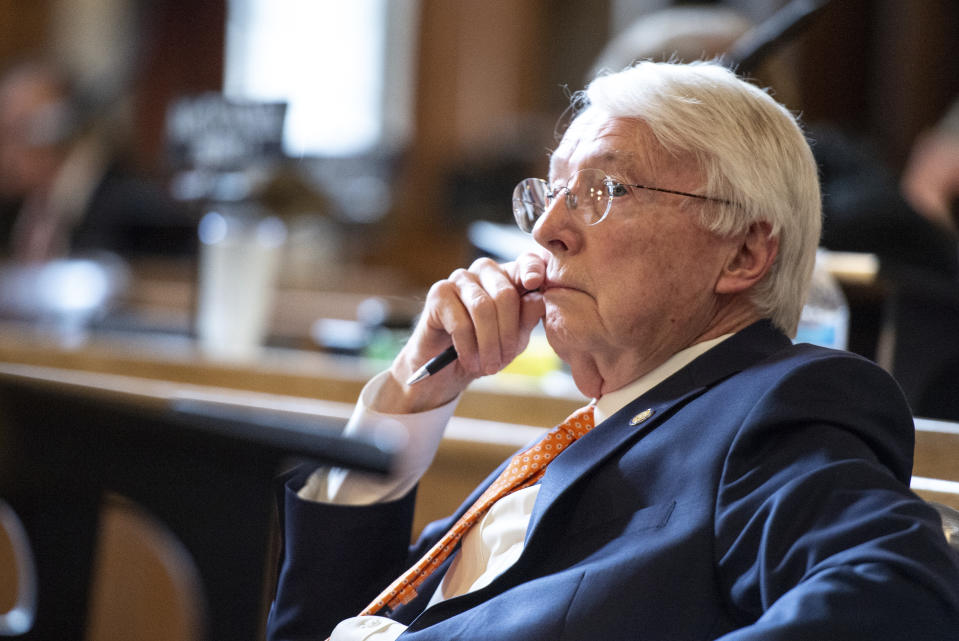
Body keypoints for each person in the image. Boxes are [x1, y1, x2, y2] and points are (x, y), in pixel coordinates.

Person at [267, 61, 959, 640]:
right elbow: (328, 625)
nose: (546, 229)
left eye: (605, 190)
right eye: (550, 192)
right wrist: (412, 399)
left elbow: (899, 594)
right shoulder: (583, 437)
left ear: (744, 252)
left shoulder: (774, 405)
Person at [0, 58, 195, 263]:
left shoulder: (136, 214)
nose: (4, 151)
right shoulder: (21, 212)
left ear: (50, 133)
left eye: (10, 132)